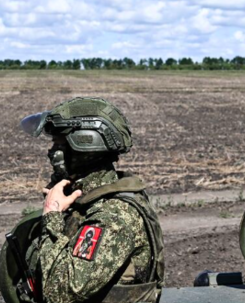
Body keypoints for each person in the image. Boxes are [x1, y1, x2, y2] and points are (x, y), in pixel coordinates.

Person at [16, 97, 164, 303]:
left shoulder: (114, 216)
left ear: (86, 146)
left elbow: (59, 294)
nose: (51, 152)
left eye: (58, 144)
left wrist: (52, 215)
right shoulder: (86, 199)